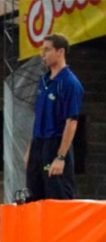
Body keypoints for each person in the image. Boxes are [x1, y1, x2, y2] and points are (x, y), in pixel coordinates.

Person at [27, 33, 84, 201]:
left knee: (57, 197)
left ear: (60, 52)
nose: (42, 55)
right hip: (39, 143)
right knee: (34, 196)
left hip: (55, 143)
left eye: (47, 50)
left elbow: (71, 122)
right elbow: (38, 118)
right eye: (42, 50)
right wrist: (30, 150)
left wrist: (61, 157)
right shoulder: (43, 81)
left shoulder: (69, 83)